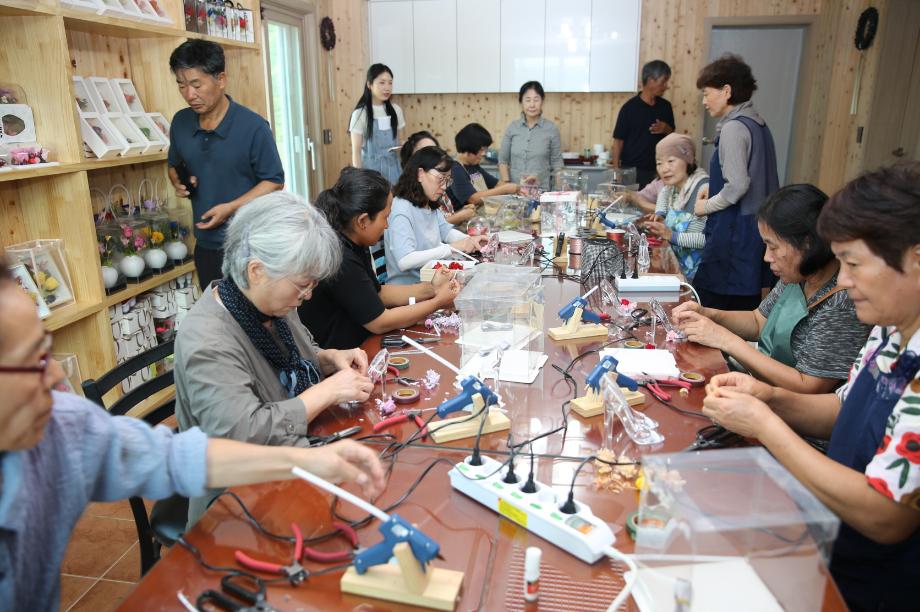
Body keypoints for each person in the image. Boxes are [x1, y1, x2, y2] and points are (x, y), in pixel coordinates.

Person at [0, 256, 385, 611]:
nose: (54, 377)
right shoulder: (212, 333)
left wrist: (307, 459)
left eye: (47, 351)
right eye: (32, 361)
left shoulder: (61, 427)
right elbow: (239, 429)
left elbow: (178, 457)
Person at [702, 163, 920, 611]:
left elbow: (885, 515)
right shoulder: (889, 330)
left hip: (880, 585)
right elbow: (841, 408)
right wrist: (768, 397)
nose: (844, 281)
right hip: (831, 540)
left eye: (856, 264)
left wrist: (765, 425)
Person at [175, 192, 375, 526]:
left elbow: (295, 356)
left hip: (295, 458)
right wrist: (325, 392)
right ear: (256, 271)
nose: (307, 296)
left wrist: (330, 359)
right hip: (235, 504)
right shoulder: (207, 341)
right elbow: (241, 435)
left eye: (312, 285)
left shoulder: (268, 302)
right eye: (301, 286)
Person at [673, 184, 870, 394]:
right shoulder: (797, 275)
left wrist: (725, 339)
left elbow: (808, 386)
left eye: (773, 246)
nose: (767, 257)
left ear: (807, 244)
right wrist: (709, 314)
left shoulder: (842, 303)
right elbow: (759, 322)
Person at [166, 39, 284, 290]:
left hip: (251, 246)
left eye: (196, 84)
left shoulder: (253, 127)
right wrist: (178, 180)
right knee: (217, 322)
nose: (189, 94)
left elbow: (274, 181)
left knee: (256, 323)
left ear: (221, 79)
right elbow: (174, 165)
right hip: (206, 246)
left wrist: (230, 208)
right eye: (181, 85)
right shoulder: (180, 122)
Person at [299, 167, 461, 349]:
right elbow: (380, 322)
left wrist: (432, 288)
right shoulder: (339, 257)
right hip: (343, 354)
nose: (387, 226)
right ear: (362, 221)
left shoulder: (355, 241)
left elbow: (377, 293)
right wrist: (437, 302)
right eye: (385, 218)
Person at [692, 54, 779, 310]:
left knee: (708, 306)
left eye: (707, 94)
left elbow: (738, 185)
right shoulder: (758, 124)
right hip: (754, 227)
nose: (705, 101)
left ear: (726, 91)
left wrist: (703, 208)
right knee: (743, 305)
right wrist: (714, 187)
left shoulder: (733, 128)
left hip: (734, 232)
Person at [384, 147, 489, 285]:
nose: (444, 187)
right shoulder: (401, 209)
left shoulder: (427, 202)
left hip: (433, 280)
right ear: (420, 174)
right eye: (440, 179)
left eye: (447, 180)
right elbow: (405, 260)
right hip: (409, 289)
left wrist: (471, 240)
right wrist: (453, 247)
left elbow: (446, 232)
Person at [642, 133, 709, 280]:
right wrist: (660, 214)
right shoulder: (672, 188)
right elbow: (664, 193)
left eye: (671, 161)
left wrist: (671, 235)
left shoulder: (703, 189)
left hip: (700, 277)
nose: (664, 169)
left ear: (688, 160)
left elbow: (708, 239)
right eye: (659, 163)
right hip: (678, 270)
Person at [611, 60, 675, 188]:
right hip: (631, 171)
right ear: (651, 80)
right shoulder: (629, 108)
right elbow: (618, 142)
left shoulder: (665, 107)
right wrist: (616, 171)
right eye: (663, 81)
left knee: (656, 206)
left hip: (659, 170)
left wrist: (666, 128)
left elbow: (673, 136)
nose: (666, 86)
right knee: (630, 205)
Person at [447, 123, 518, 226]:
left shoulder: (474, 167)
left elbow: (497, 184)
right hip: (462, 226)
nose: (484, 153)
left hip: (480, 222)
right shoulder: (455, 169)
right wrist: (506, 189)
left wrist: (518, 189)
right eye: (481, 150)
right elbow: (473, 198)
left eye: (485, 149)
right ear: (469, 149)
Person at [499, 81, 562, 191]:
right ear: (521, 102)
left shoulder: (551, 129)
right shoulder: (512, 128)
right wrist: (507, 184)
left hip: (541, 191)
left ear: (542, 101)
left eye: (536, 99)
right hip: (515, 192)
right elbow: (503, 160)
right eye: (527, 100)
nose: (532, 104)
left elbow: (557, 164)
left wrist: (560, 191)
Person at [349, 64, 405, 184]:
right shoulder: (360, 114)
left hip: (395, 173)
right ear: (369, 84)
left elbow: (400, 143)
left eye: (390, 83)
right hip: (370, 176)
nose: (387, 87)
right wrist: (360, 181)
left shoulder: (396, 110)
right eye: (382, 82)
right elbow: (356, 152)